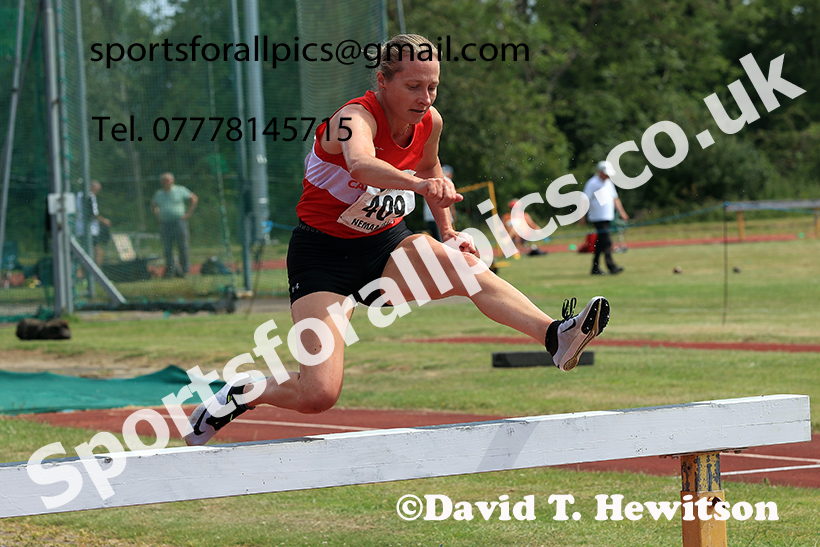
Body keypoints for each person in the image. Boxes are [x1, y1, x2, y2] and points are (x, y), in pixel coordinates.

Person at [185, 34, 610, 446]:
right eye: (413, 86)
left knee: (463, 266)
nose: (425, 97)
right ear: (382, 81)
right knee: (319, 395)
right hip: (323, 258)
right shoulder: (353, 119)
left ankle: (556, 337)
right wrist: (420, 187)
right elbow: (362, 166)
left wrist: (448, 231)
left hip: (386, 246)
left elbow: (431, 168)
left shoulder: (430, 122)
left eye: (432, 86)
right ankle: (242, 393)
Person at [581, 161, 629, 275]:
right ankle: (611, 266)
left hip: (608, 216)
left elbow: (615, 198)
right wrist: (582, 216)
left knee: (600, 243)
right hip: (597, 217)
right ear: (600, 172)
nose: (608, 176)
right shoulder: (592, 183)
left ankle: (595, 268)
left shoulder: (609, 183)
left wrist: (622, 212)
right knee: (607, 242)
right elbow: (584, 200)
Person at [151, 172, 197, 278]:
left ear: (172, 181)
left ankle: (184, 270)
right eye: (164, 180)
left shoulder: (180, 190)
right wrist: (158, 217)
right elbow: (153, 205)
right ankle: (170, 270)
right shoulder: (159, 194)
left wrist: (187, 214)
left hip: (179, 222)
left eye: (168, 180)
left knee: (182, 246)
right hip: (165, 223)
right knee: (167, 248)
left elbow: (193, 198)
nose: (166, 183)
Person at [75, 180, 111, 265]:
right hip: (89, 229)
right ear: (91, 187)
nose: (97, 192)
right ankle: (95, 272)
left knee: (84, 250)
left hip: (81, 228)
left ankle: (84, 273)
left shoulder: (79, 195)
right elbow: (93, 214)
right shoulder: (90, 196)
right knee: (97, 251)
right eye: (96, 189)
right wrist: (104, 220)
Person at [421, 164, 457, 241]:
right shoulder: (447, 180)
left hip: (429, 215)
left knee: (437, 240)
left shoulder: (428, 179)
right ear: (449, 173)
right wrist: (453, 213)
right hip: (442, 216)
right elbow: (450, 198)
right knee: (445, 241)